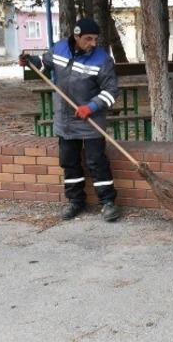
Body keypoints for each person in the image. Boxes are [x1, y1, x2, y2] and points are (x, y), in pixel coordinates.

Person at [20, 18, 120, 222]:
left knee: (96, 162)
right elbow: (44, 64)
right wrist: (30, 61)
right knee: (69, 162)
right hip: (65, 120)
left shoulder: (102, 59)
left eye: (95, 39)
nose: (92, 43)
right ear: (76, 36)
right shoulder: (59, 49)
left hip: (91, 121)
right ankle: (76, 201)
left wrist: (91, 106)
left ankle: (108, 202)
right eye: (88, 39)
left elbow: (111, 90)